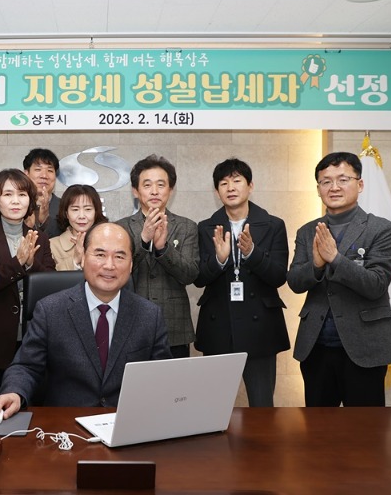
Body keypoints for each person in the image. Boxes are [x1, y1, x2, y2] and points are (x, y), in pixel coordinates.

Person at [0, 223, 172, 419]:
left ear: (131, 265)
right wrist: (14, 392)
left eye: (120, 257)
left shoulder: (150, 315)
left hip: (126, 422)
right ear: (83, 257)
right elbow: (27, 366)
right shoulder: (50, 310)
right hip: (65, 424)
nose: (109, 265)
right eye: (100, 254)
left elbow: (163, 377)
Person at [287, 152, 391, 407]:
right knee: (318, 427)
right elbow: (294, 281)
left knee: (366, 428)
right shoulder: (307, 231)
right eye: (326, 181)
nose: (334, 187)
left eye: (342, 179)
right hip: (316, 347)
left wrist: (335, 259)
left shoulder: (381, 229)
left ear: (359, 184)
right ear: (318, 189)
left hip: (365, 347)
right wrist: (317, 265)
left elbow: (376, 284)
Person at [194, 158, 290, 407]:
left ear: (250, 186)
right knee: (213, 407)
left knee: (262, 406)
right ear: (217, 191)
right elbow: (199, 278)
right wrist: (219, 259)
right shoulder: (205, 228)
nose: (231, 187)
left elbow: (279, 276)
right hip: (218, 326)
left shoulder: (273, 225)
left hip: (261, 328)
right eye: (223, 183)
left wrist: (252, 254)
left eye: (237, 181)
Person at [0, 169, 56, 401]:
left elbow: (52, 284)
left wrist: (30, 264)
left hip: (34, 336)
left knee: (34, 406)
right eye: (8, 194)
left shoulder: (40, 238)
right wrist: (18, 263)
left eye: (22, 194)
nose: (15, 201)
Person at [116, 154, 199, 358]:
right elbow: (117, 271)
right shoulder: (120, 228)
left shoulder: (186, 226)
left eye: (161, 185)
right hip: (131, 322)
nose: (154, 191)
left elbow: (190, 275)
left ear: (171, 189)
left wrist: (163, 249)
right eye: (147, 185)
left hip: (174, 326)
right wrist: (144, 240)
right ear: (135, 190)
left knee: (176, 379)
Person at [50, 184, 107, 271]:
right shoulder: (52, 245)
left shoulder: (107, 243)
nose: (81, 216)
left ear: (96, 212)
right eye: (75, 209)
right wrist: (75, 259)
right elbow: (50, 278)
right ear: (66, 214)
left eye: (88, 209)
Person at [23, 148, 63, 237]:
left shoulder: (64, 207)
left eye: (50, 170)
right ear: (26, 174)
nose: (44, 175)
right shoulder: (17, 206)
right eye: (38, 169)